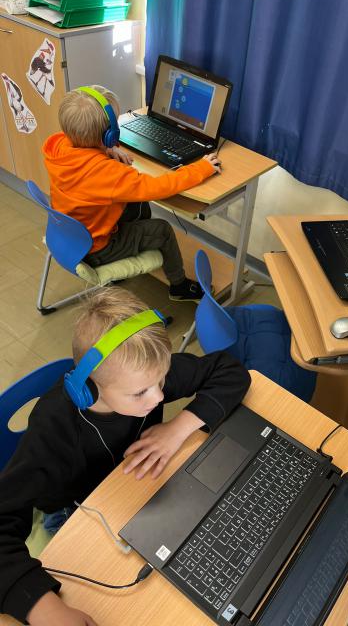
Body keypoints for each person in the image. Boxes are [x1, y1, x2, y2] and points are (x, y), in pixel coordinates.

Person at [0, 287, 251, 626]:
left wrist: (177, 428)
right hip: (76, 509)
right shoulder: (54, 430)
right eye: (141, 392)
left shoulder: (143, 374)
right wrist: (43, 609)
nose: (158, 396)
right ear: (89, 389)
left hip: (134, 484)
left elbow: (229, 371)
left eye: (161, 380)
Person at [43, 85, 222, 302]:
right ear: (109, 135)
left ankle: (139, 243)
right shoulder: (107, 173)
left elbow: (87, 153)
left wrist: (109, 149)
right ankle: (179, 286)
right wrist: (202, 168)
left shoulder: (58, 146)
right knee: (163, 230)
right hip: (97, 249)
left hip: (71, 235)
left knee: (135, 204)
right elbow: (159, 187)